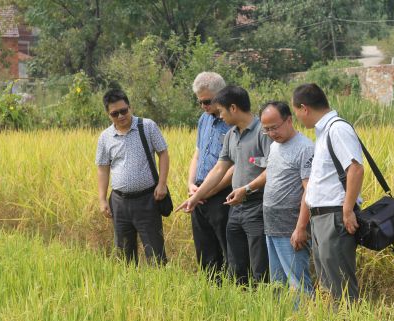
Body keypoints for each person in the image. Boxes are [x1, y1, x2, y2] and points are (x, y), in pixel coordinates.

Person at [177, 85, 271, 285]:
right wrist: (194, 197)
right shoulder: (231, 135)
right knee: (236, 264)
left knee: (259, 265)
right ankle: (241, 302)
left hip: (256, 205)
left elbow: (271, 170)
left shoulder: (263, 132)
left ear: (234, 108)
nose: (219, 117)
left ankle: (263, 306)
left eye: (221, 111)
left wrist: (246, 189)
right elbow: (219, 169)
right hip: (236, 208)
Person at [292, 83, 364, 300]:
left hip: (335, 216)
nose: (298, 118)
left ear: (304, 108)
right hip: (322, 217)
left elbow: (356, 168)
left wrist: (348, 210)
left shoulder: (337, 129)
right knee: (329, 281)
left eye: (296, 112)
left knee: (339, 282)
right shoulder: (323, 132)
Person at [96, 89, 169, 266]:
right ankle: (130, 290)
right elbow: (103, 168)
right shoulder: (105, 137)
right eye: (115, 113)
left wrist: (162, 183)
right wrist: (102, 199)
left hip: (147, 200)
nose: (121, 116)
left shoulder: (147, 126)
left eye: (124, 110)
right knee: (124, 256)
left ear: (130, 107)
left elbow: (163, 153)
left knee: (156, 255)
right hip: (119, 203)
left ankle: (160, 290)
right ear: (108, 114)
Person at [260, 101, 314, 295]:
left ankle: (305, 320)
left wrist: (300, 228)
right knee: (277, 283)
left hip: (290, 226)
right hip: (271, 224)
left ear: (289, 120)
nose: (272, 133)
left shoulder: (305, 148)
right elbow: (270, 172)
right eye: (266, 130)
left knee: (298, 283)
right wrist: (247, 188)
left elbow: (310, 190)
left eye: (274, 127)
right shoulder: (274, 146)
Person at [188, 72, 233, 276]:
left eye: (207, 101)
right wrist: (192, 185)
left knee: (228, 249)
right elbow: (197, 154)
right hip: (199, 193)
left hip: (222, 194)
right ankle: (211, 293)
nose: (204, 106)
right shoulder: (203, 120)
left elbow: (234, 166)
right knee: (205, 253)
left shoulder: (232, 121)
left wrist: (209, 191)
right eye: (200, 102)